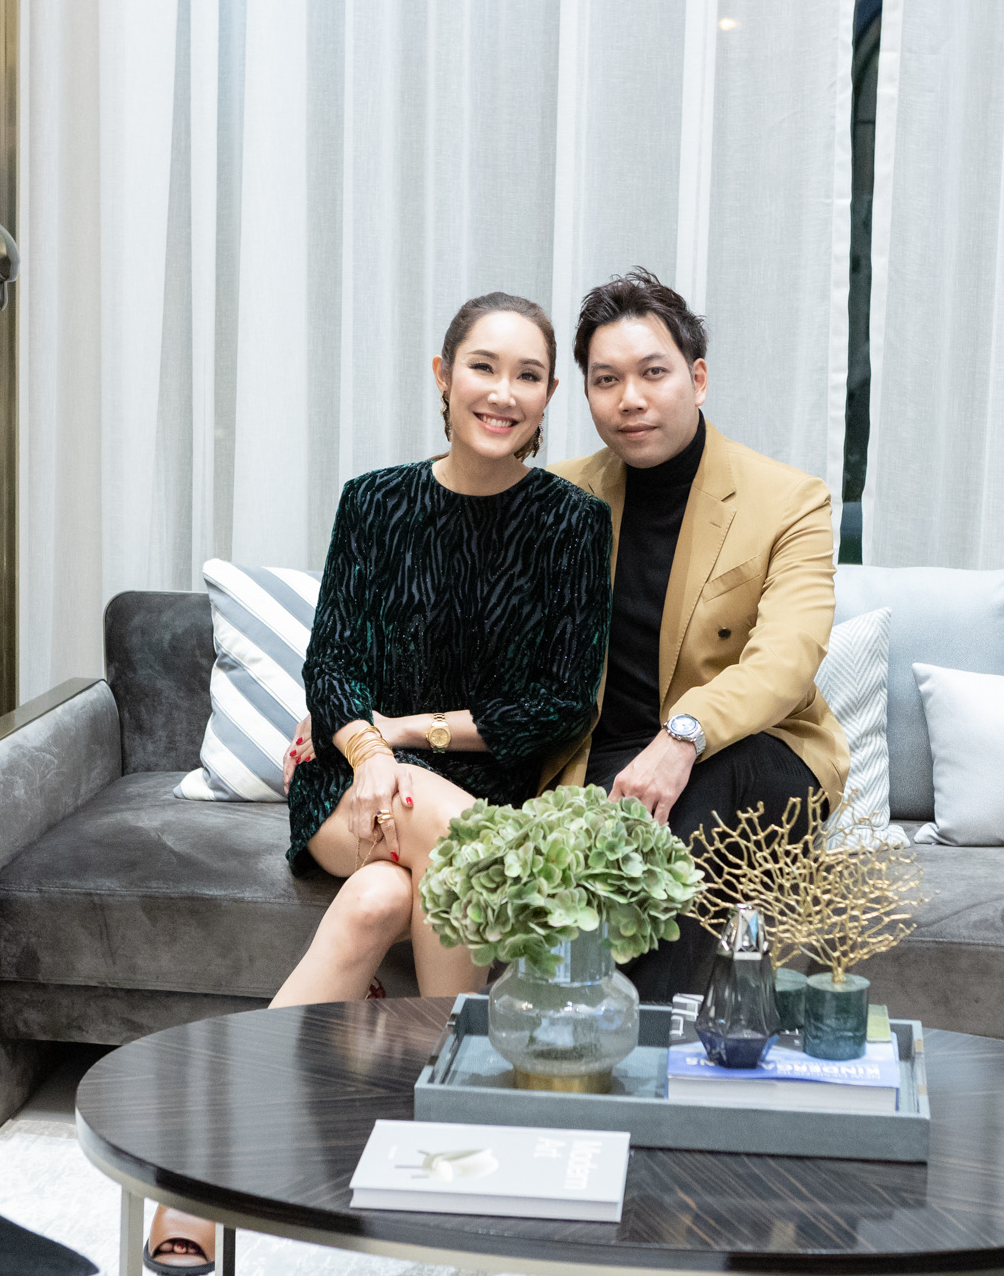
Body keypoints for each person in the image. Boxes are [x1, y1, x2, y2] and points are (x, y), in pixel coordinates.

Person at [143, 292, 612, 1274]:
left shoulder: (572, 524)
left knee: (377, 903)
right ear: (442, 375)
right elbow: (334, 666)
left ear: (548, 397)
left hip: (465, 788)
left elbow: (559, 703)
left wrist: (404, 734)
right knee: (463, 844)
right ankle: (458, 1140)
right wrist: (369, 754)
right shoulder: (373, 502)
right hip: (352, 790)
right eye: (483, 366)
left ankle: (195, 1173)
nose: (503, 392)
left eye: (528, 375)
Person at [544, 268, 849, 1004]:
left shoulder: (788, 499)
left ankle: (641, 1034)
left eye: (654, 372)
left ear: (698, 378)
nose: (631, 398)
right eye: (606, 380)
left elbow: (786, 660)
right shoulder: (560, 495)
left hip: (756, 753)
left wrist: (682, 737)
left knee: (698, 789)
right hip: (606, 758)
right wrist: (363, 721)